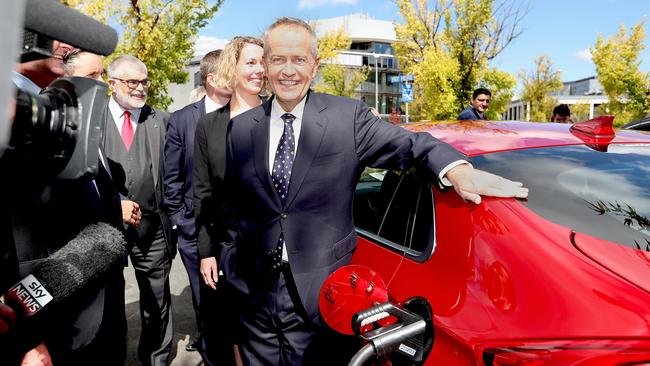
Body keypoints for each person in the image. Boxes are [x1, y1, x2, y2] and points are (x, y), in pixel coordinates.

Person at [219, 17, 527, 365]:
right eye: (278, 59)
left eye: (299, 59)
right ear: (266, 63)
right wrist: (230, 264)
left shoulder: (346, 117)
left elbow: (412, 144)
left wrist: (455, 169)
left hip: (322, 299)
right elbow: (232, 207)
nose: (288, 71)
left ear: (315, 66)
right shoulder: (241, 129)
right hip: (253, 294)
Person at [5, 45, 127, 366]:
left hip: (98, 311)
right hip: (42, 335)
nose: (66, 44)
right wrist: (25, 338)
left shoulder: (65, 107)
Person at [192, 36, 265, 365]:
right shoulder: (210, 125)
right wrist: (206, 251)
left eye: (263, 62)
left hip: (275, 250)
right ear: (231, 68)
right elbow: (203, 191)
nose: (260, 70)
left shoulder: (282, 118)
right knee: (233, 334)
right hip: (228, 250)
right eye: (251, 62)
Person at [102, 55, 174, 366]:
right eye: (133, 81)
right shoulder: (93, 122)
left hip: (153, 230)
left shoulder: (162, 120)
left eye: (145, 81)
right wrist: (110, 205)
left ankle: (154, 358)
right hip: (106, 230)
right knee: (109, 304)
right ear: (112, 84)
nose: (141, 88)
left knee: (156, 301)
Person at [162, 49, 230, 362]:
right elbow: (172, 178)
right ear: (211, 78)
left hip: (240, 233)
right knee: (207, 301)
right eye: (230, 70)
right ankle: (212, 352)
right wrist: (184, 222)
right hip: (196, 232)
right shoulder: (182, 120)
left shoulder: (249, 113)